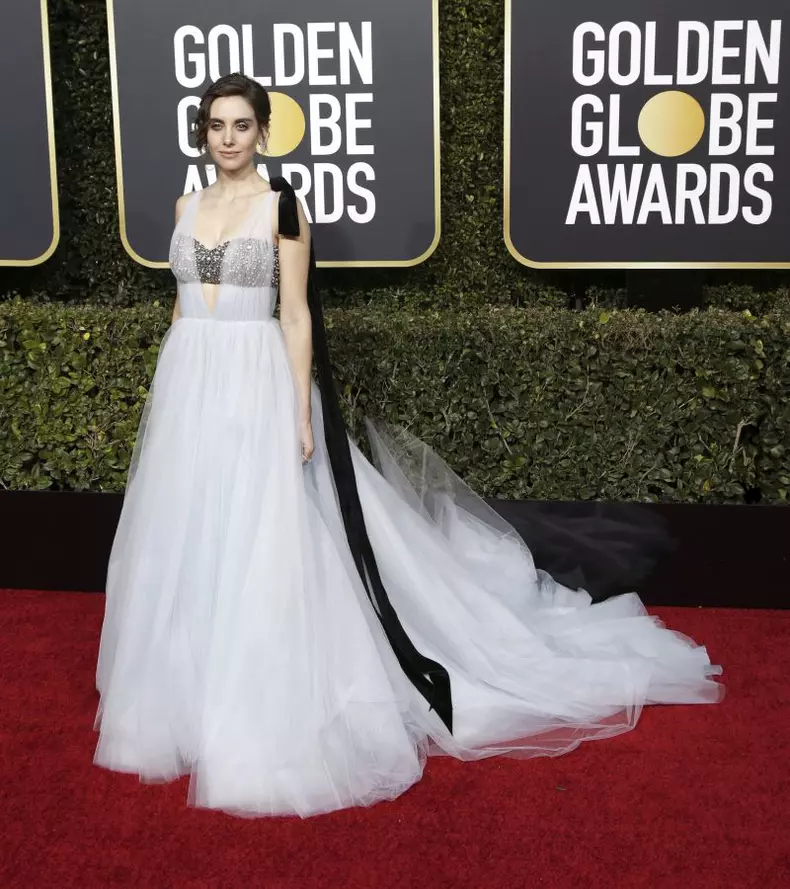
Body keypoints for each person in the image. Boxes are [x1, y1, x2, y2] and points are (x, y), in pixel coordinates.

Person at [93, 73, 724, 819]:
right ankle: (185, 695)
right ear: (202, 133)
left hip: (254, 383)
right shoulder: (184, 207)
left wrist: (299, 411)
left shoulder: (282, 208)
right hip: (191, 381)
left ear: (263, 132)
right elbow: (179, 305)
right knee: (191, 539)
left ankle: (260, 699)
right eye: (214, 125)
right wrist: (172, 392)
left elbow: (294, 317)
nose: (226, 138)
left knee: (263, 540)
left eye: (239, 125)